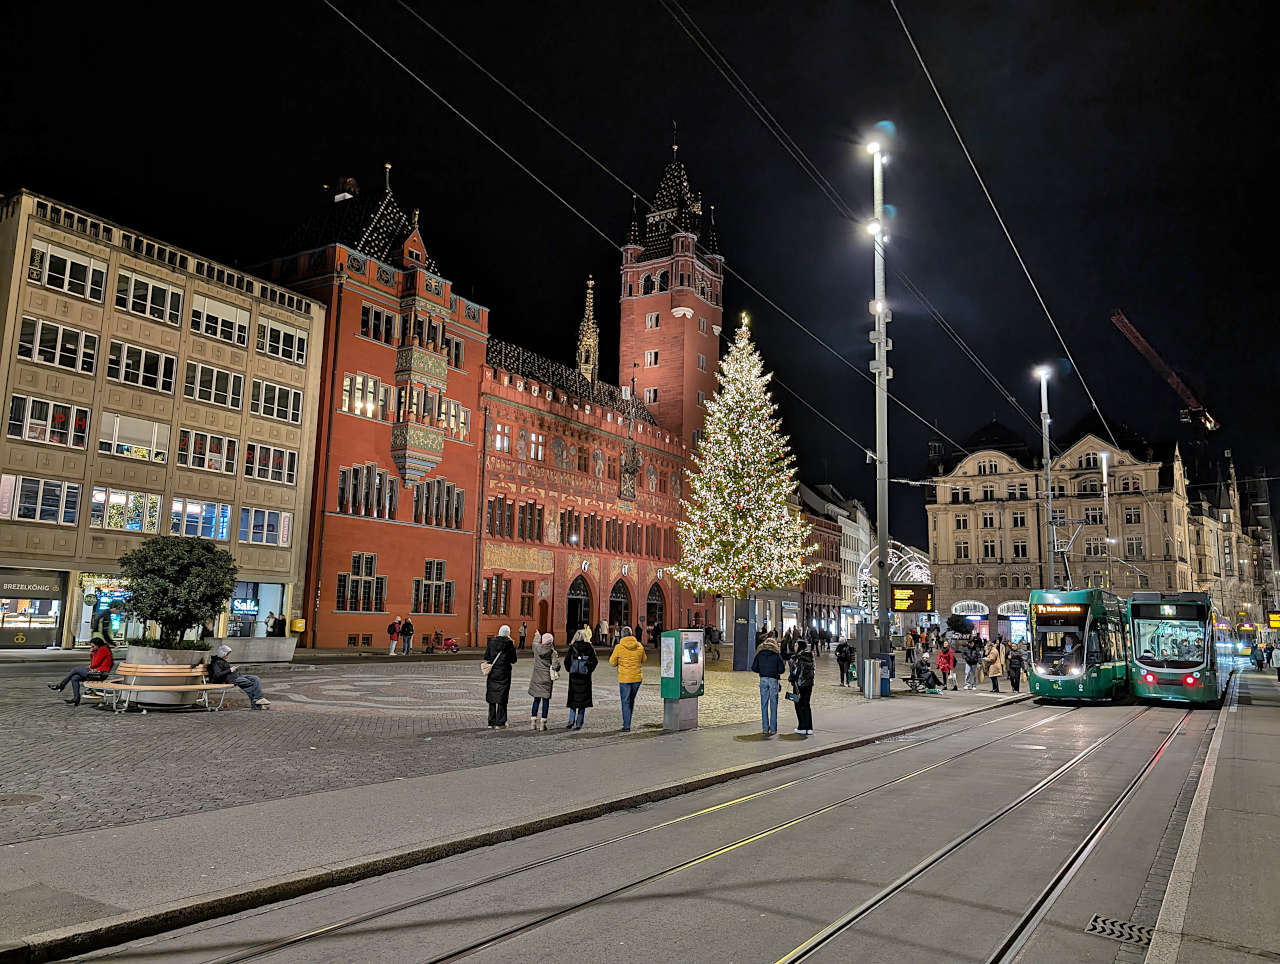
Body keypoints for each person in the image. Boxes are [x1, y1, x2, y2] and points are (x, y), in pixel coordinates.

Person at [49, 637, 114, 705]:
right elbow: (94, 664)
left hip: (100, 674)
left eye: (93, 646)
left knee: (76, 669)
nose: (91, 648)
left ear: (98, 645)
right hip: (97, 673)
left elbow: (94, 664)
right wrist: (91, 661)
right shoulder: (100, 649)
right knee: (75, 678)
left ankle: (61, 685)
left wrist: (92, 653)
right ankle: (76, 698)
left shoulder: (103, 649)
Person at [202, 644, 271, 708]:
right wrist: (230, 670)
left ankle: (258, 699)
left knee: (255, 678)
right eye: (227, 654)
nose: (227, 656)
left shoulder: (222, 661)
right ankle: (257, 702)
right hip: (228, 680)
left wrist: (232, 670)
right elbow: (217, 675)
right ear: (222, 654)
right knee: (250, 684)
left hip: (235, 677)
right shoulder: (216, 662)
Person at [609, 625, 646, 732]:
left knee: (625, 701)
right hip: (637, 678)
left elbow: (612, 662)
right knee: (631, 700)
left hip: (625, 678)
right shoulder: (639, 646)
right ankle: (628, 721)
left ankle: (627, 725)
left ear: (622, 635)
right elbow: (644, 659)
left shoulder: (619, 647)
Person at [483, 625, 518, 728]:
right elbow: (513, 660)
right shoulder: (509, 644)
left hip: (493, 673)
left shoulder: (492, 642)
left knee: (492, 697)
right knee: (502, 698)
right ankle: (500, 722)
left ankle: (491, 722)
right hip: (504, 673)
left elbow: (487, 656)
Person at [751, 634, 785, 735]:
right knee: (774, 704)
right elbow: (782, 670)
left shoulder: (760, 654)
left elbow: (754, 668)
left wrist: (762, 670)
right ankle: (773, 729)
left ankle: (765, 728)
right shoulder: (776, 654)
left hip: (763, 679)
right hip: (773, 680)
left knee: (764, 704)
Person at [565, 627, 598, 729]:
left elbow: (566, 662)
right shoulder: (589, 647)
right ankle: (579, 722)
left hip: (574, 677)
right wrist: (588, 669)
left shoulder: (572, 647)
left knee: (573, 699)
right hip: (585, 677)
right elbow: (595, 661)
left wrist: (571, 669)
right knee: (583, 701)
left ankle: (571, 720)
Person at [527, 632, 562, 730]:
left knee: (536, 700)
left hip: (537, 677)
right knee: (545, 700)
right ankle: (543, 723)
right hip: (546, 678)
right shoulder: (552, 652)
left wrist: (537, 635)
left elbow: (534, 642)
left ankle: (533, 722)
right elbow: (556, 666)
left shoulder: (536, 648)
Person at [788, 641, 816, 734]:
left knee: (798, 705)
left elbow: (796, 672)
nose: (794, 646)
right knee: (806, 705)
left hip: (799, 684)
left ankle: (802, 727)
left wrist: (791, 678)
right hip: (809, 684)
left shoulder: (797, 658)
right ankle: (809, 728)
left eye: (796, 645)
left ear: (800, 646)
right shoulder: (810, 657)